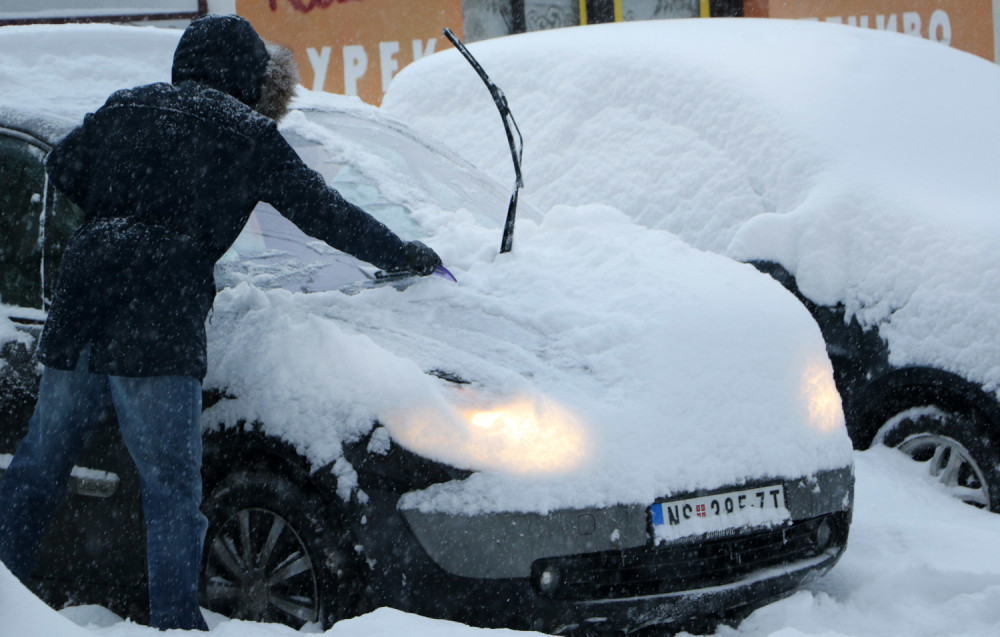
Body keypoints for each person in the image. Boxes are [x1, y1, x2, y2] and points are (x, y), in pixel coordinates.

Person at [0, 14, 440, 631]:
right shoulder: (247, 134)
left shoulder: (128, 104)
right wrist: (401, 252)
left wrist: (123, 209)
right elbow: (324, 212)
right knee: (171, 489)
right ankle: (176, 622)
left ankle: (8, 599)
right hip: (155, 319)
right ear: (249, 76)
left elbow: (64, 167)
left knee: (40, 465)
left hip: (82, 305)